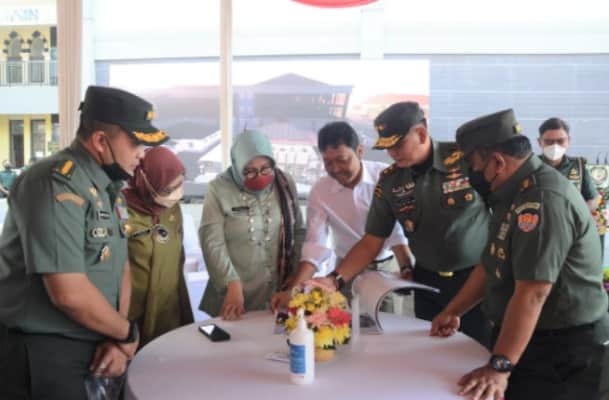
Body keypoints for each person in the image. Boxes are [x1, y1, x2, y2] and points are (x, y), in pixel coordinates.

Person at [0, 85, 169, 400]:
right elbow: (68, 293)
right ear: (101, 141)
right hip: (44, 353)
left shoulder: (107, 187)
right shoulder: (54, 183)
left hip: (96, 341)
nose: (142, 153)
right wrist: (126, 333)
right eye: (136, 143)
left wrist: (116, 336)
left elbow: (120, 267)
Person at [431, 109, 609, 400]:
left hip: (562, 350)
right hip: (529, 338)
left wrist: (500, 367)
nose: (472, 175)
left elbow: (533, 292)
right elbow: (491, 263)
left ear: (498, 161)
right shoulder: (512, 192)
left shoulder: (542, 199)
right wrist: (453, 311)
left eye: (474, 166)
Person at [315, 102, 491, 346]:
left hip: (475, 281)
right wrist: (334, 279)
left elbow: (503, 214)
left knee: (477, 351)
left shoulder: (466, 160)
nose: (393, 154)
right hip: (427, 284)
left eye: (398, 145)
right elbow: (372, 241)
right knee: (430, 352)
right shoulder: (390, 181)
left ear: (421, 134)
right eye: (387, 148)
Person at [271, 121, 412, 311]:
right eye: (328, 162)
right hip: (343, 270)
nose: (336, 169)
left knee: (387, 323)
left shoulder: (385, 178)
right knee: (342, 323)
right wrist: (294, 290)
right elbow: (315, 245)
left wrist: (406, 266)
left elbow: (396, 233)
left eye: (342, 160)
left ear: (360, 151)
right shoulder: (321, 191)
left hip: (384, 267)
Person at [198, 130, 305, 320]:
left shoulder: (284, 184)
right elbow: (212, 242)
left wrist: (295, 273)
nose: (259, 176)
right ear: (237, 165)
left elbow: (299, 231)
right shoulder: (219, 189)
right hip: (235, 293)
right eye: (249, 171)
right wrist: (231, 283)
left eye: (265, 169)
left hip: (279, 291)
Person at [123, 146, 193, 348]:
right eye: (167, 190)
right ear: (146, 183)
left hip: (169, 308)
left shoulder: (172, 209)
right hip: (133, 311)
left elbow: (178, 260)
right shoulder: (122, 211)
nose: (175, 194)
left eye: (180, 184)